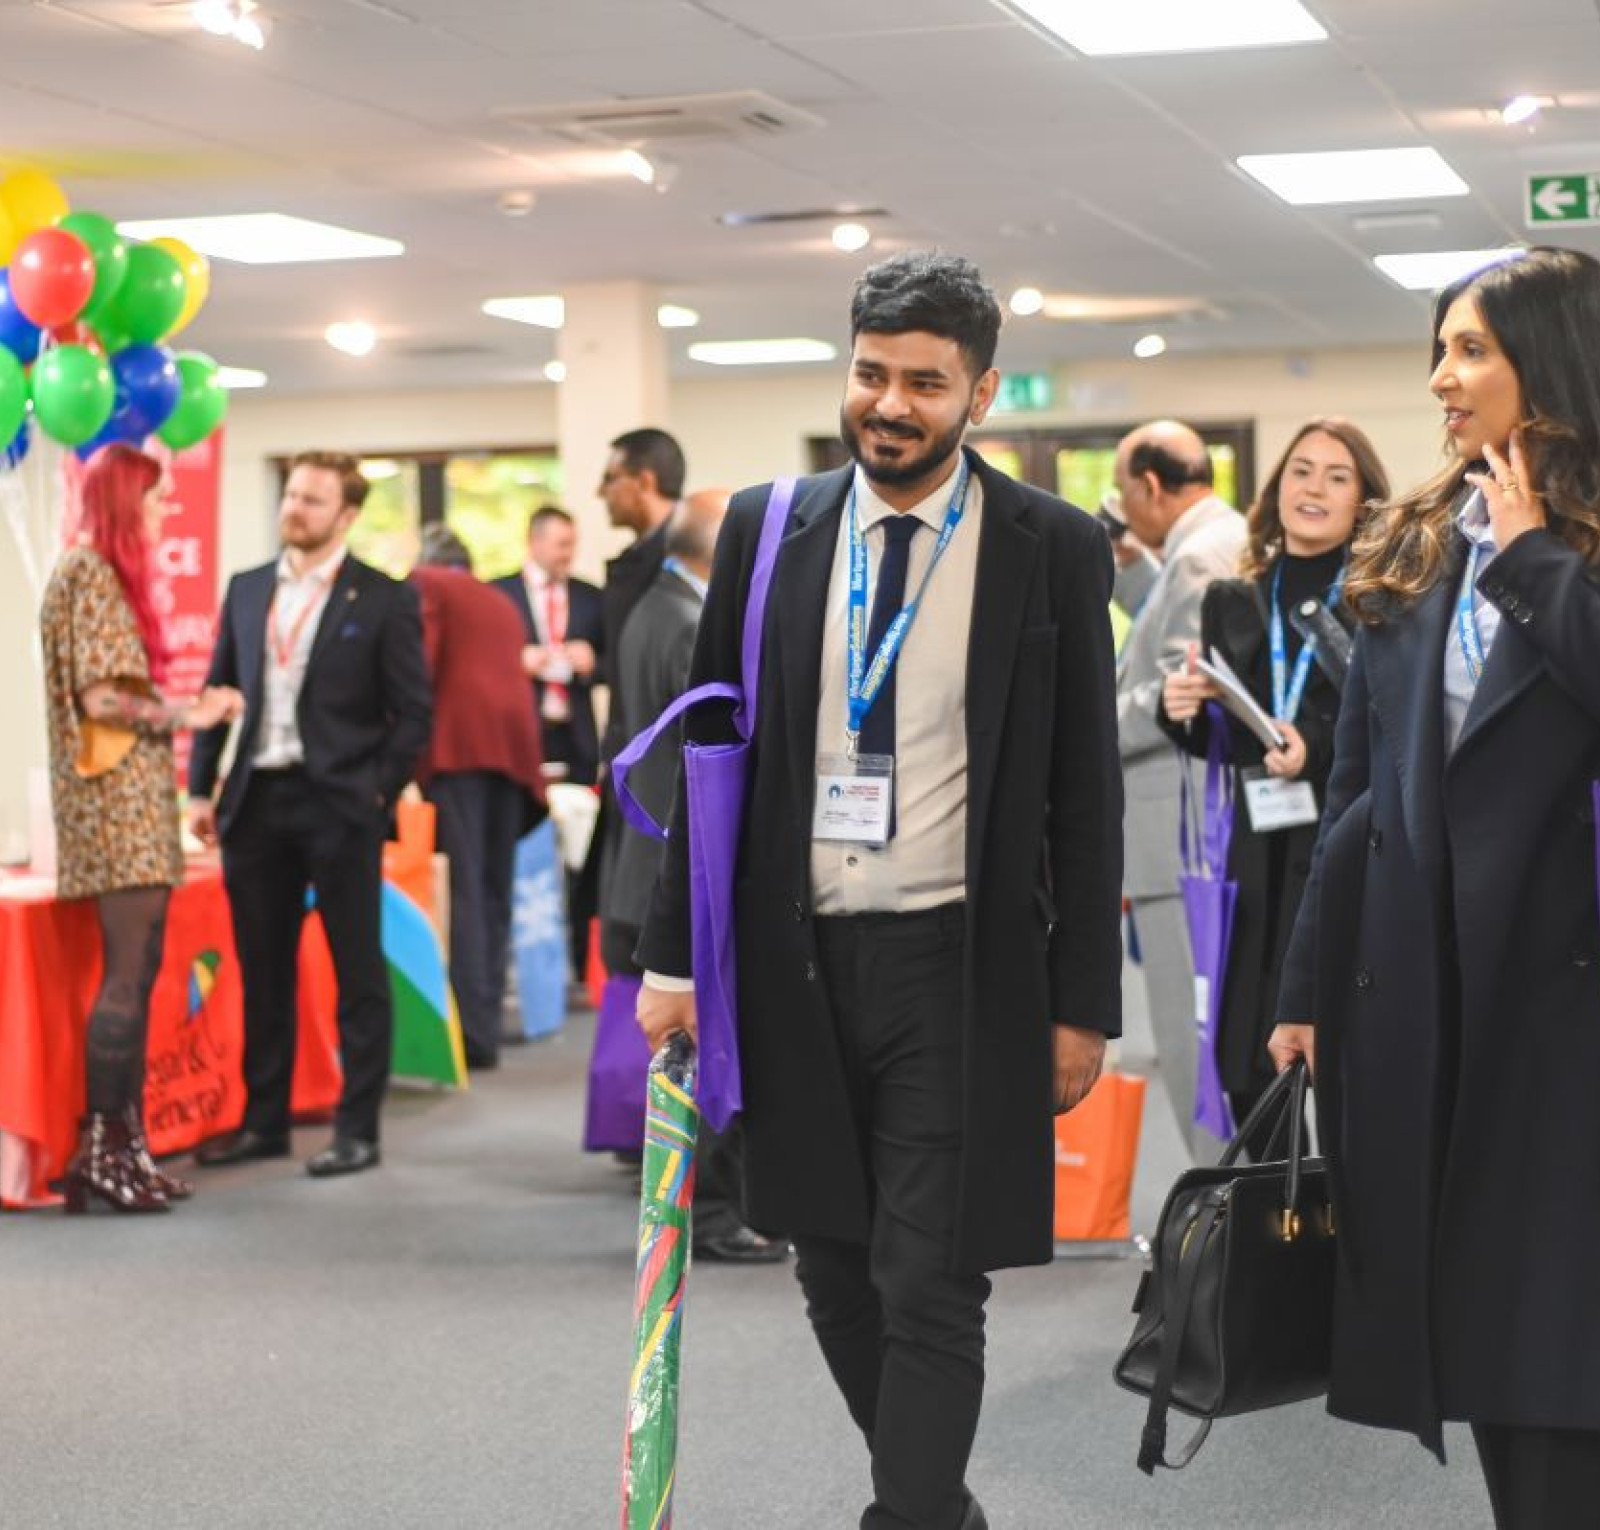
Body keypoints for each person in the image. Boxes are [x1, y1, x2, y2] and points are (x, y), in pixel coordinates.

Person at [634, 252, 1123, 1530]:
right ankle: (940, 1509)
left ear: (980, 393)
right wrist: (671, 956)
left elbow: (1084, 788)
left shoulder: (1051, 545)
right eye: (869, 374)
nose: (889, 405)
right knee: (832, 1267)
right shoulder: (767, 524)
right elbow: (710, 743)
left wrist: (1083, 1006)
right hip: (792, 960)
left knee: (930, 1278)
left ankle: (904, 1519)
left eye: (923, 382)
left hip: (954, 965)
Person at [1269, 247, 1600, 1529]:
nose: (1441, 377)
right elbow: (1353, 792)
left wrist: (1532, 561)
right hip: (1431, 989)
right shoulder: (1415, 538)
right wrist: (1305, 984)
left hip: (1565, 997)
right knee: (1493, 1341)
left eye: (1470, 350)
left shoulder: (1547, 549)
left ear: (1551, 362)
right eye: (1439, 349)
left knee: (1556, 1342)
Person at [187, 451, 432, 1178]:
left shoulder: (382, 598)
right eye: (291, 494)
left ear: (347, 516)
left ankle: (358, 1130)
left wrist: (375, 791)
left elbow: (414, 714)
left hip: (340, 803)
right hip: (255, 800)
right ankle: (264, 1122)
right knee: (263, 969)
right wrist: (201, 787)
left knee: (356, 971)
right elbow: (215, 693)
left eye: (313, 500)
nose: (294, 508)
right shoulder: (248, 588)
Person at [1158, 418, 1389, 1139]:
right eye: (1301, 470)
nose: (1313, 488)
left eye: (1337, 476)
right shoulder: (1236, 598)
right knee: (1251, 1070)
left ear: (1363, 501)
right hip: (1256, 852)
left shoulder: (1383, 599)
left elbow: (1395, 724)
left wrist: (1313, 746)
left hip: (1349, 845)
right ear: (1276, 486)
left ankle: (1355, 1243)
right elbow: (1228, 738)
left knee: (1350, 1070)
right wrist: (1187, 714)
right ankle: (1273, 1236)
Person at [38, 444, 242, 1213]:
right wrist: (193, 711)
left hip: (133, 806)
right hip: (112, 808)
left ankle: (125, 1147)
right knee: (125, 977)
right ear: (124, 501)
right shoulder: (88, 572)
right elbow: (103, 702)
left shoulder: (93, 576)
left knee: (143, 969)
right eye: (155, 501)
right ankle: (99, 1154)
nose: (162, 514)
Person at [600, 491, 785, 1263]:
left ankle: (709, 1203)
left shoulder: (651, 608)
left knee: (689, 1047)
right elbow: (703, 762)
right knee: (708, 1043)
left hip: (643, 859)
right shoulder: (689, 622)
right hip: (678, 863)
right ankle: (713, 1213)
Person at [1112, 420, 1247, 1154]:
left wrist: (1092, 717)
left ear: (1153, 487)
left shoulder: (1196, 558)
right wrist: (1132, 573)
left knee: (1189, 1045)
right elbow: (1178, 637)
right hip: (1200, 832)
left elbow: (1178, 689)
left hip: (1178, 836)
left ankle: (1219, 1223)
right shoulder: (1215, 540)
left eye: (1127, 492)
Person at [412, 524, 546, 1071]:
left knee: (464, 893)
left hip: (458, 750)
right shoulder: (501, 600)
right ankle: (484, 1023)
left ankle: (470, 1034)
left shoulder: (427, 585)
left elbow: (418, 668)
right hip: (513, 756)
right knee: (492, 894)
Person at [493, 505, 602, 788]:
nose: (569, 554)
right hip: (522, 733)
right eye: (562, 544)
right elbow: (478, 665)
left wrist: (592, 663)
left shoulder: (590, 596)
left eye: (573, 544)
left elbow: (614, 663)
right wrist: (513, 662)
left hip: (577, 735)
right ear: (534, 542)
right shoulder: (498, 594)